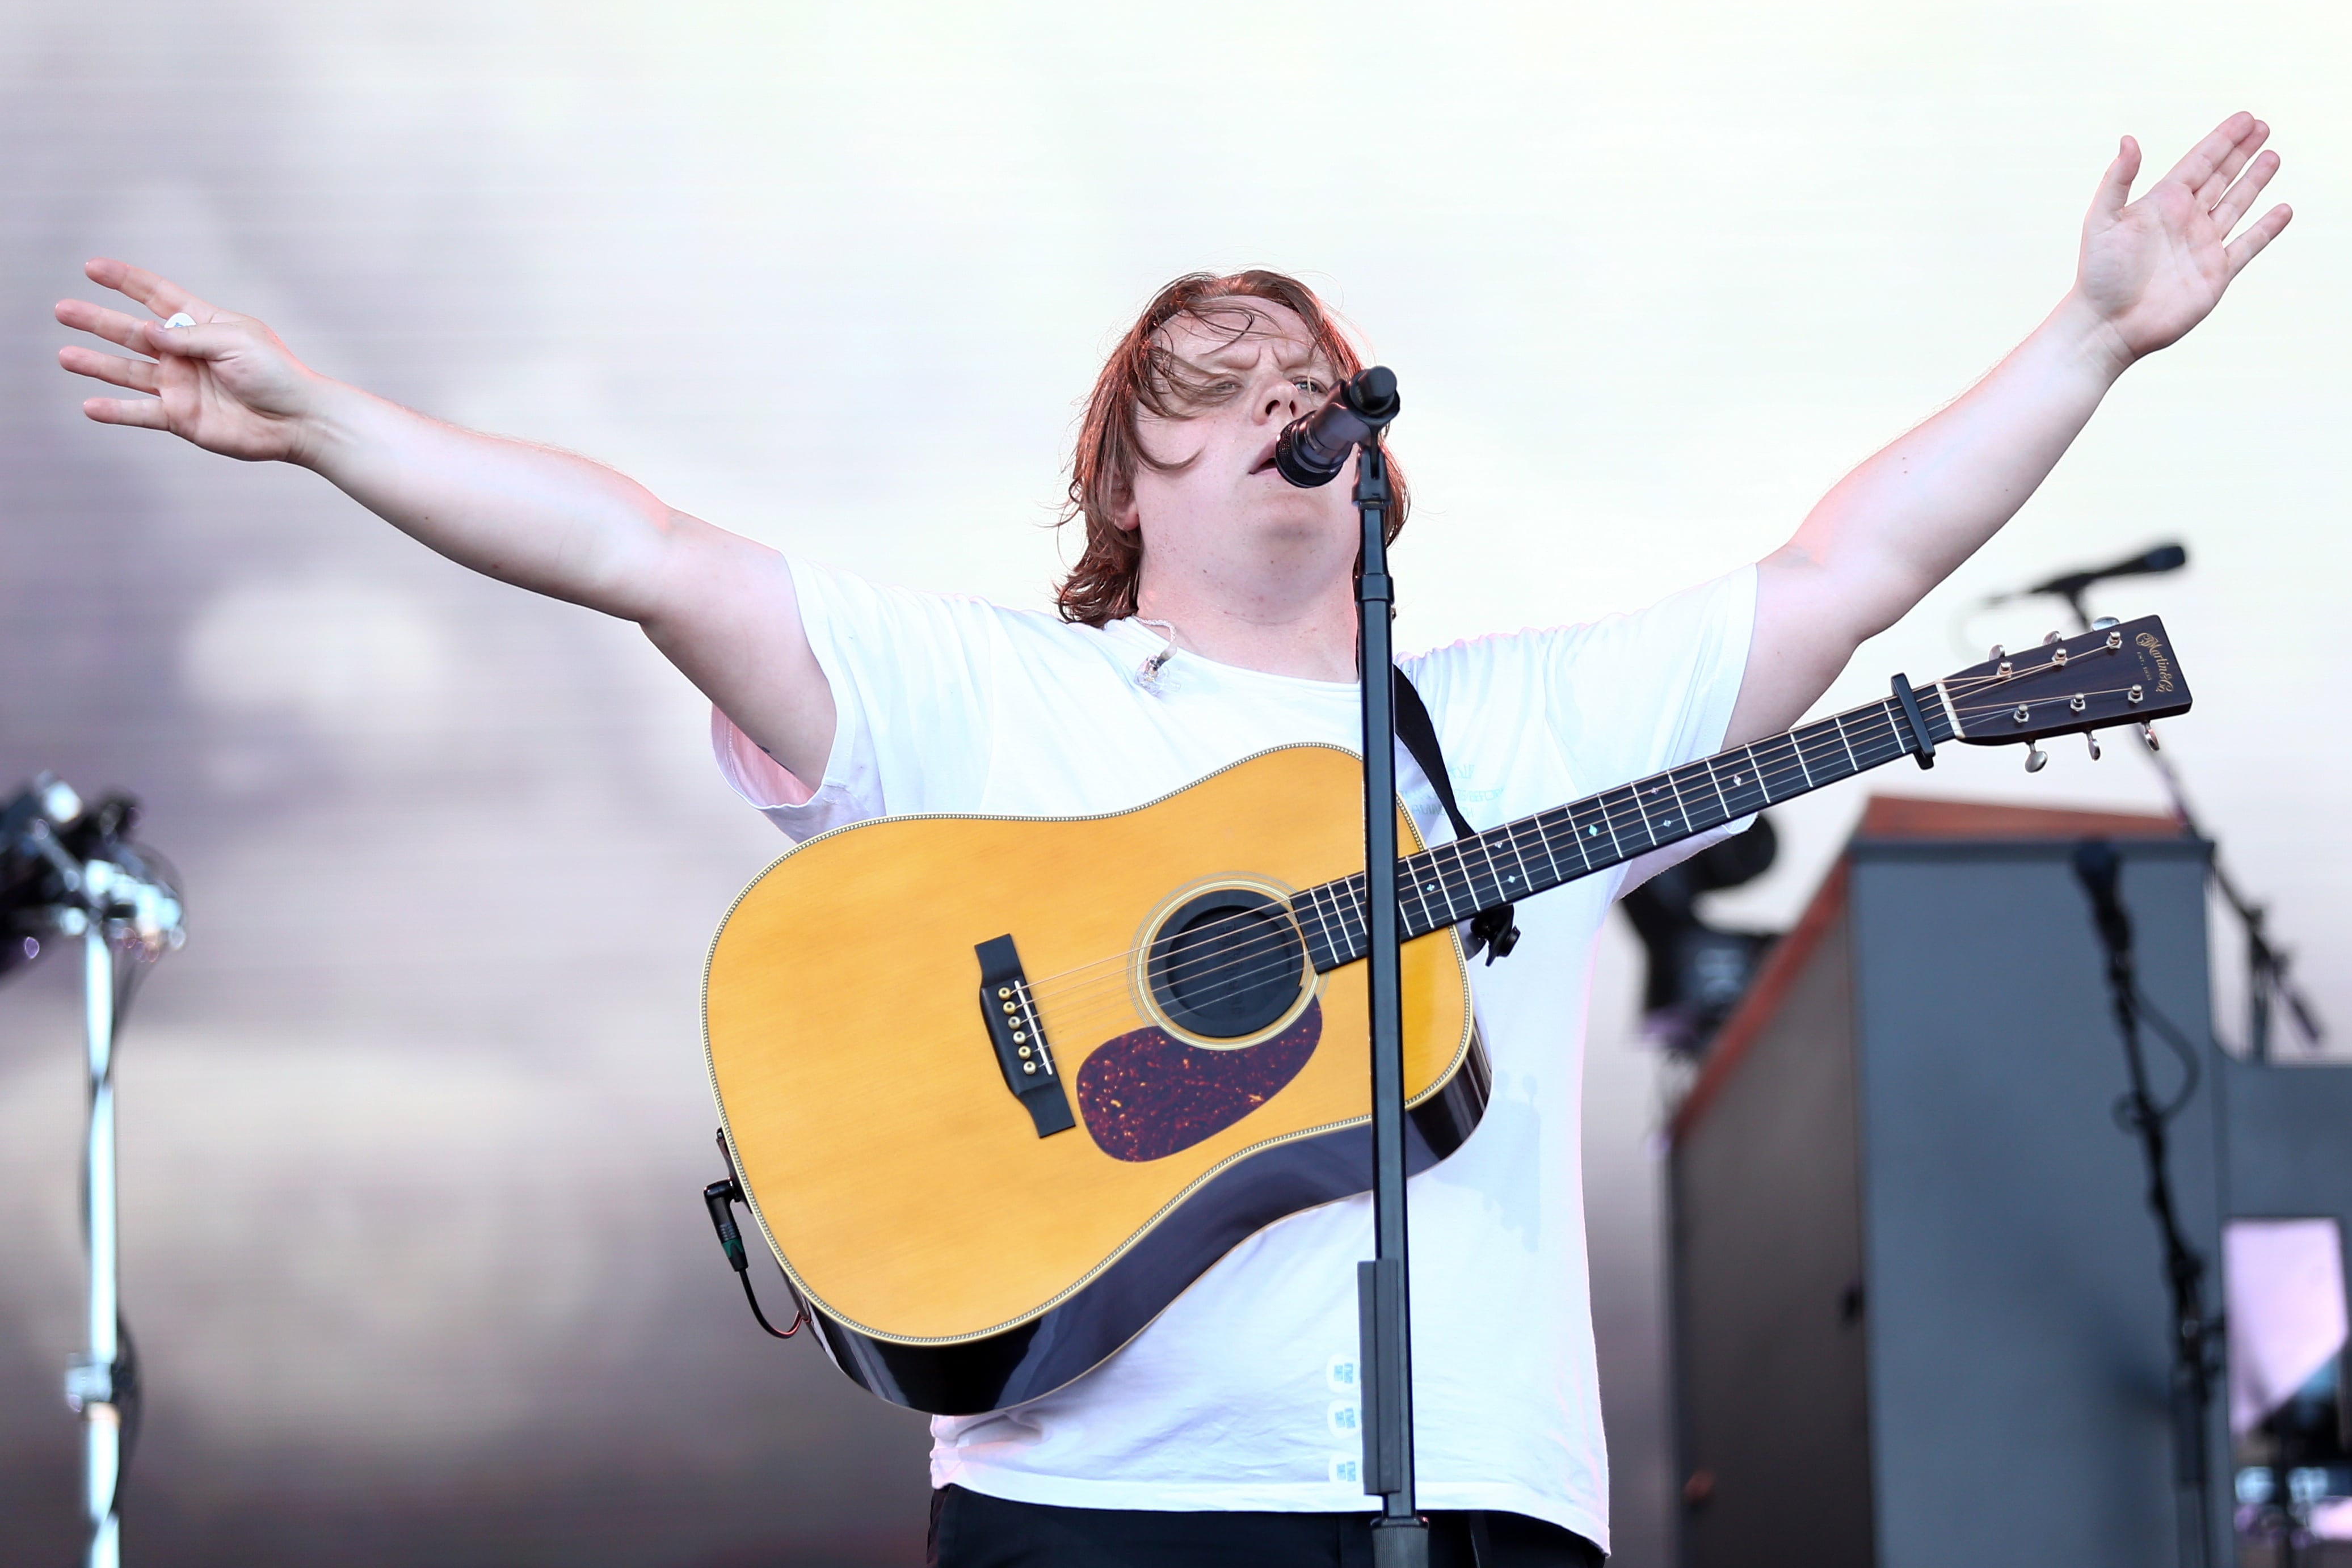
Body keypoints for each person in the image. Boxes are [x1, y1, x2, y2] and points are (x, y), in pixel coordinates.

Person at [56, 114, 2288, 1567]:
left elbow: (1844, 566)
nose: (1256, 409)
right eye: (1190, 391)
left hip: (1472, 1501)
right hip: (1092, 1506)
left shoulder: (1497, 727)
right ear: (1121, 482)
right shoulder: (990, 701)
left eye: (1293, 384)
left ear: (1362, 461)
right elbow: (644, 551)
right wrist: (332, 427)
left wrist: (2087, 335)